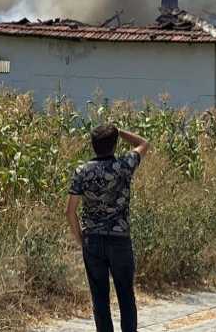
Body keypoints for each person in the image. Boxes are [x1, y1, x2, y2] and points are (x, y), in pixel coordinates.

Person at [66, 124, 149, 332]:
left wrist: (81, 240)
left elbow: (70, 212)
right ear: (114, 144)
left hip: (92, 240)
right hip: (119, 239)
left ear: (93, 145)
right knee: (126, 297)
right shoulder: (124, 165)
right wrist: (119, 131)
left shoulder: (82, 171)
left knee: (100, 300)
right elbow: (143, 143)